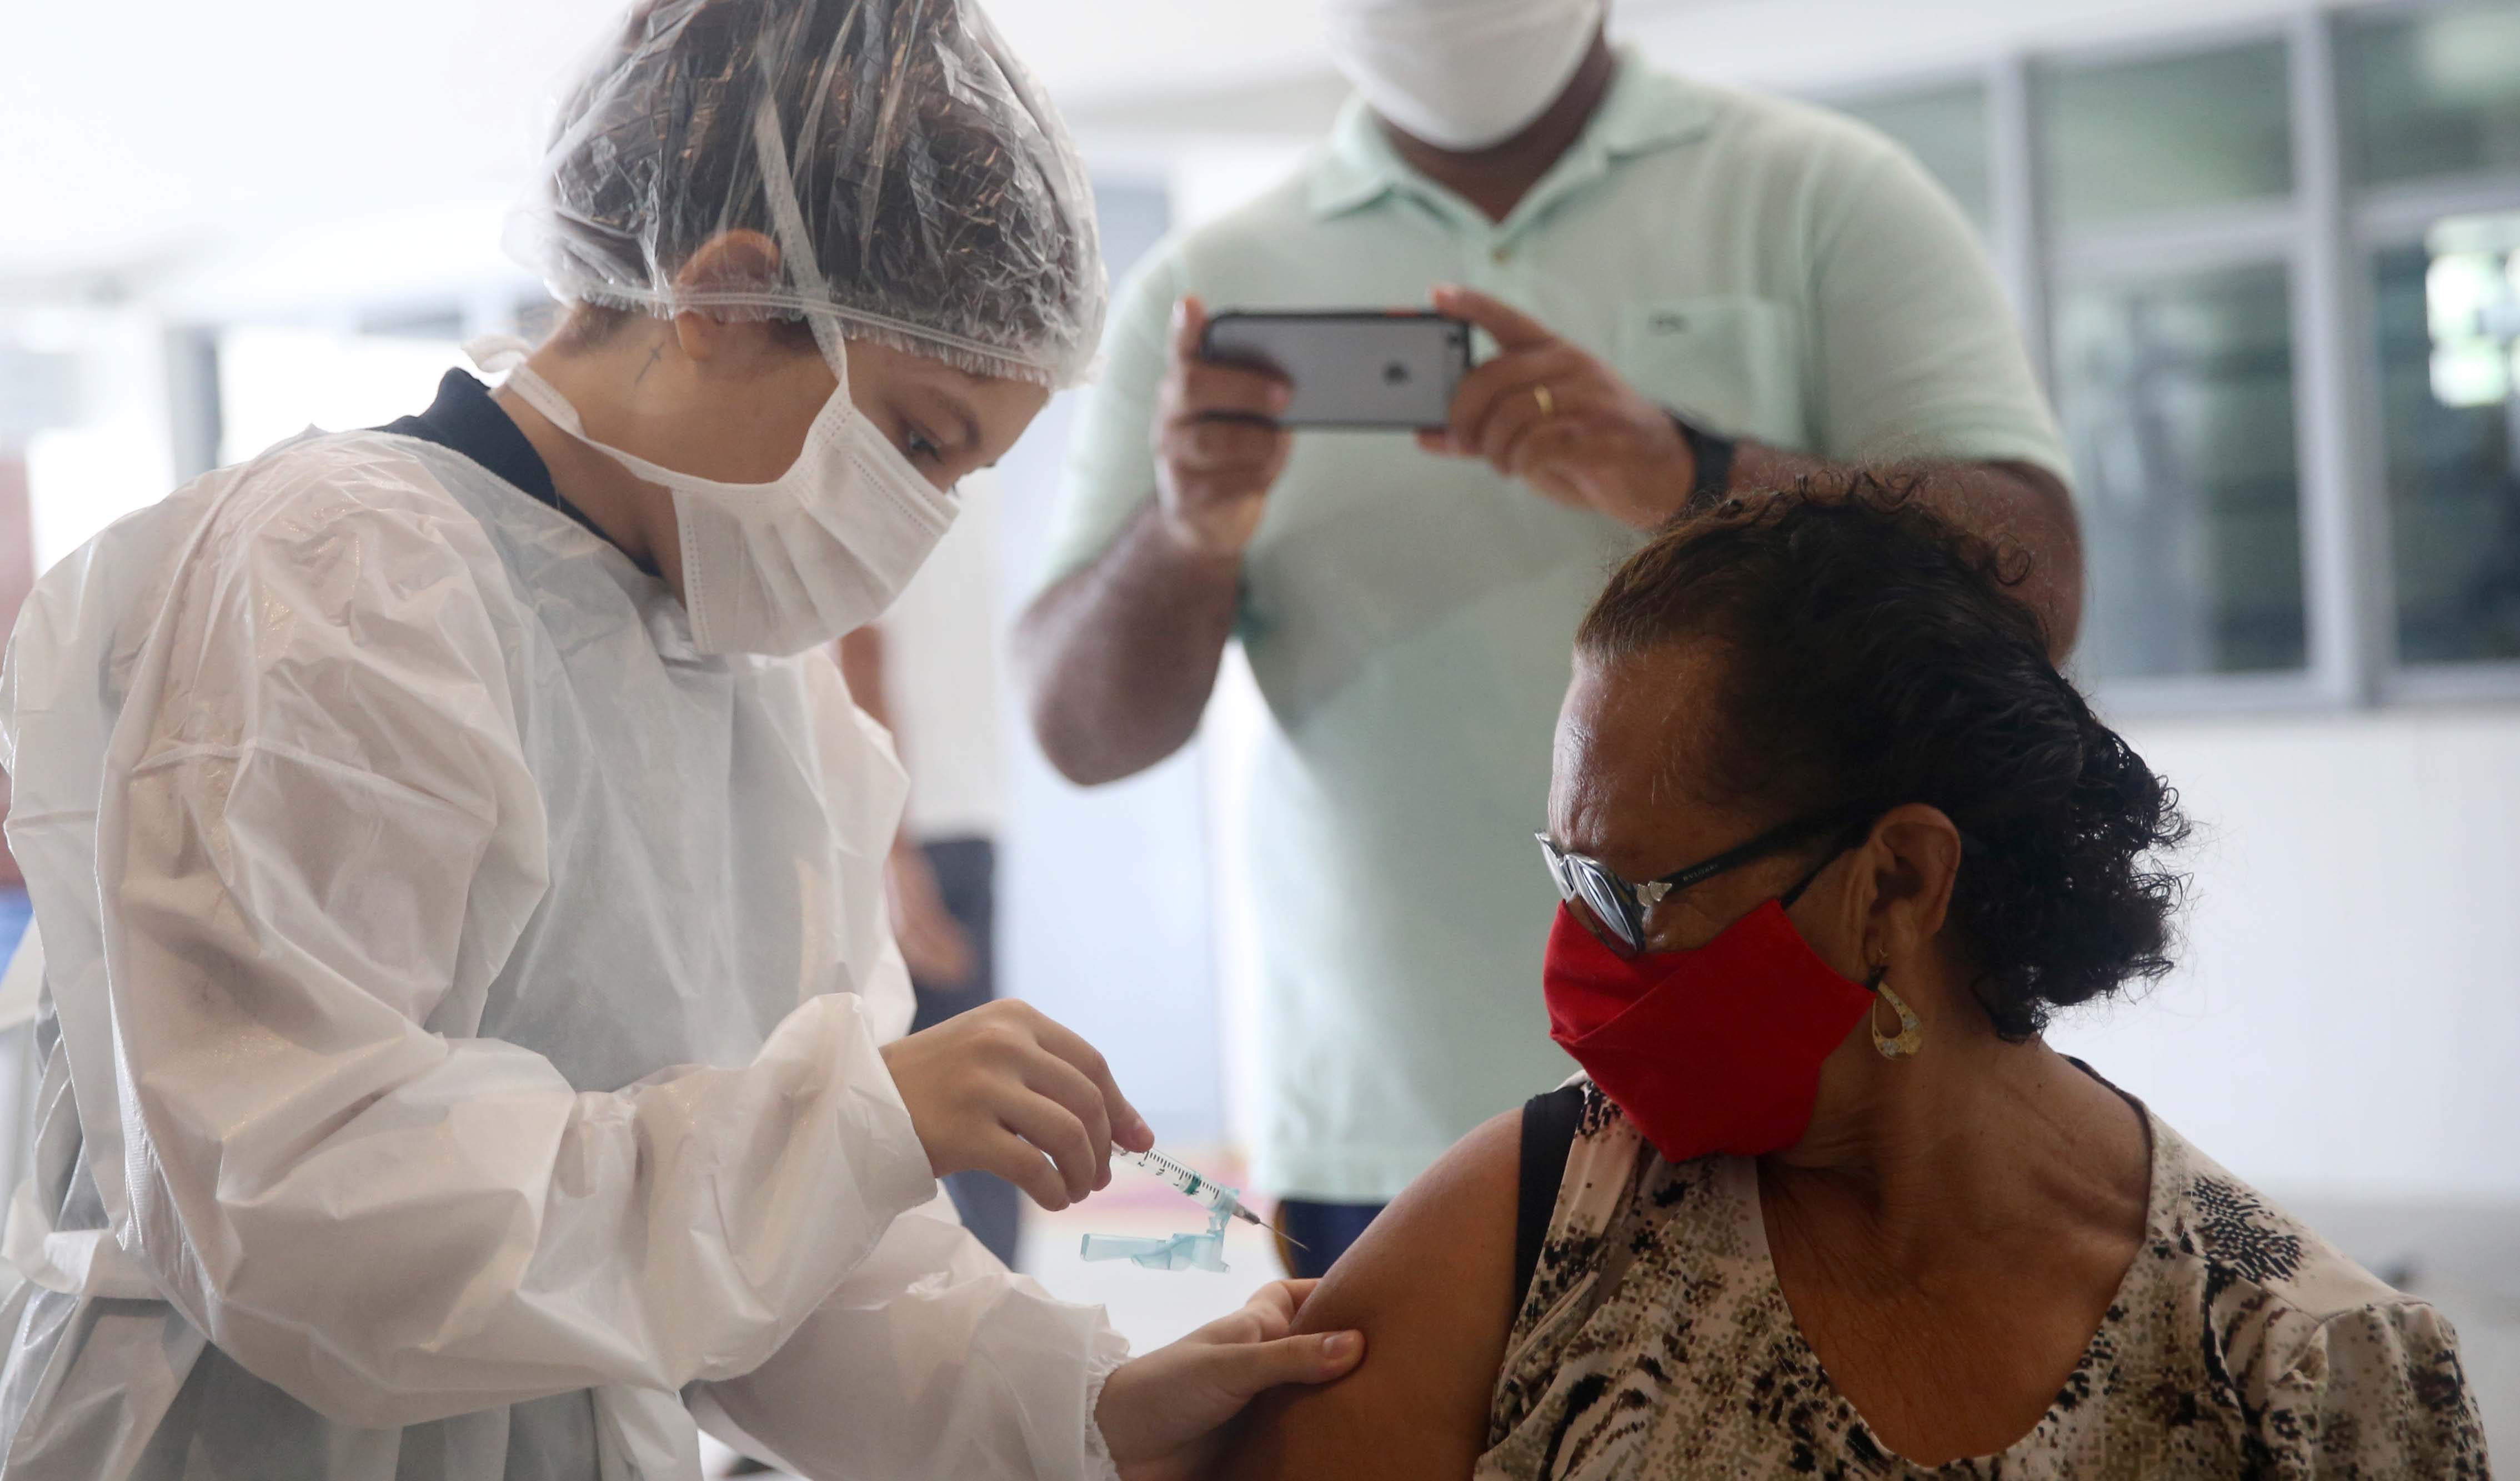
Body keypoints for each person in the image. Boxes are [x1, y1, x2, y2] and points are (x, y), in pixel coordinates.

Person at [0, 2, 1364, 1477]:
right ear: (718, 294)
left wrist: (1076, 1408)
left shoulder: (772, 705)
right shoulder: (338, 585)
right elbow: (298, 1210)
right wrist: (849, 1124)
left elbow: (776, 1269)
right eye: (917, 440)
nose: (921, 520)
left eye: (965, 473)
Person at [1018, 0, 2081, 1279]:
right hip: (1383, 1138)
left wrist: (1691, 471)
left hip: (1807, 1100)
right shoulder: (1202, 293)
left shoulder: (1821, 192)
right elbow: (1077, 729)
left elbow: (2035, 581)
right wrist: (1189, 535)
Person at [1210, 479, 2493, 1478]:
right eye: (1569, 875)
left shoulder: (2305, 1372)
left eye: (1636, 894)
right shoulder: (1533, 1237)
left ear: (1894, 884)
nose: (1581, 959)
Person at [835, 478, 1021, 1268]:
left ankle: (997, 1321)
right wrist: (893, 851)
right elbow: (857, 642)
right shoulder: (890, 475)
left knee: (979, 1105)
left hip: (954, 826)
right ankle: (973, 1325)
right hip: (920, 832)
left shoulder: (958, 477)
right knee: (950, 1113)